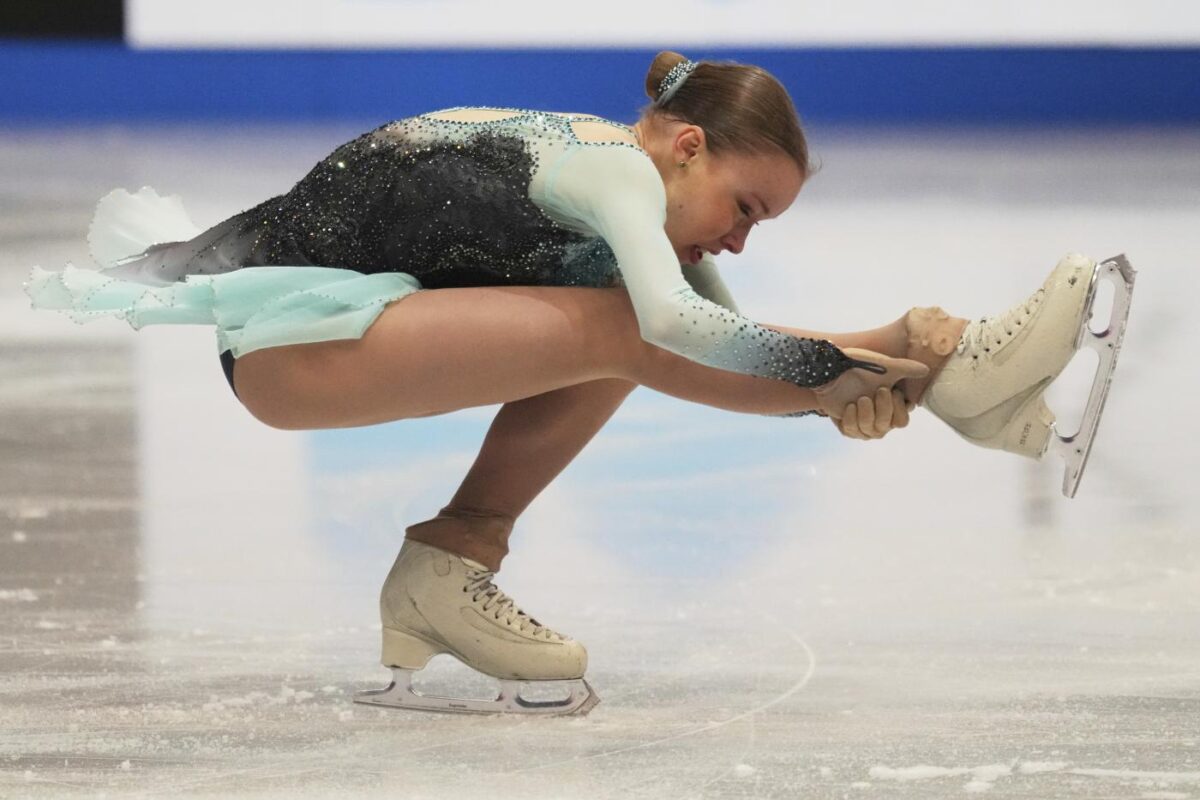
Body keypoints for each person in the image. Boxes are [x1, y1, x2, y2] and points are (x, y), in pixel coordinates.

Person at [24, 51, 1130, 716]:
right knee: (620, 324)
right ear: (687, 146)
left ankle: (446, 567)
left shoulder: (643, 208)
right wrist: (902, 365)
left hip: (343, 331)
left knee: (620, 329)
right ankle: (970, 384)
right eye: (746, 207)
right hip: (289, 343)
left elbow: (725, 348)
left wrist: (883, 359)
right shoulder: (609, 170)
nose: (743, 240)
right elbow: (675, 335)